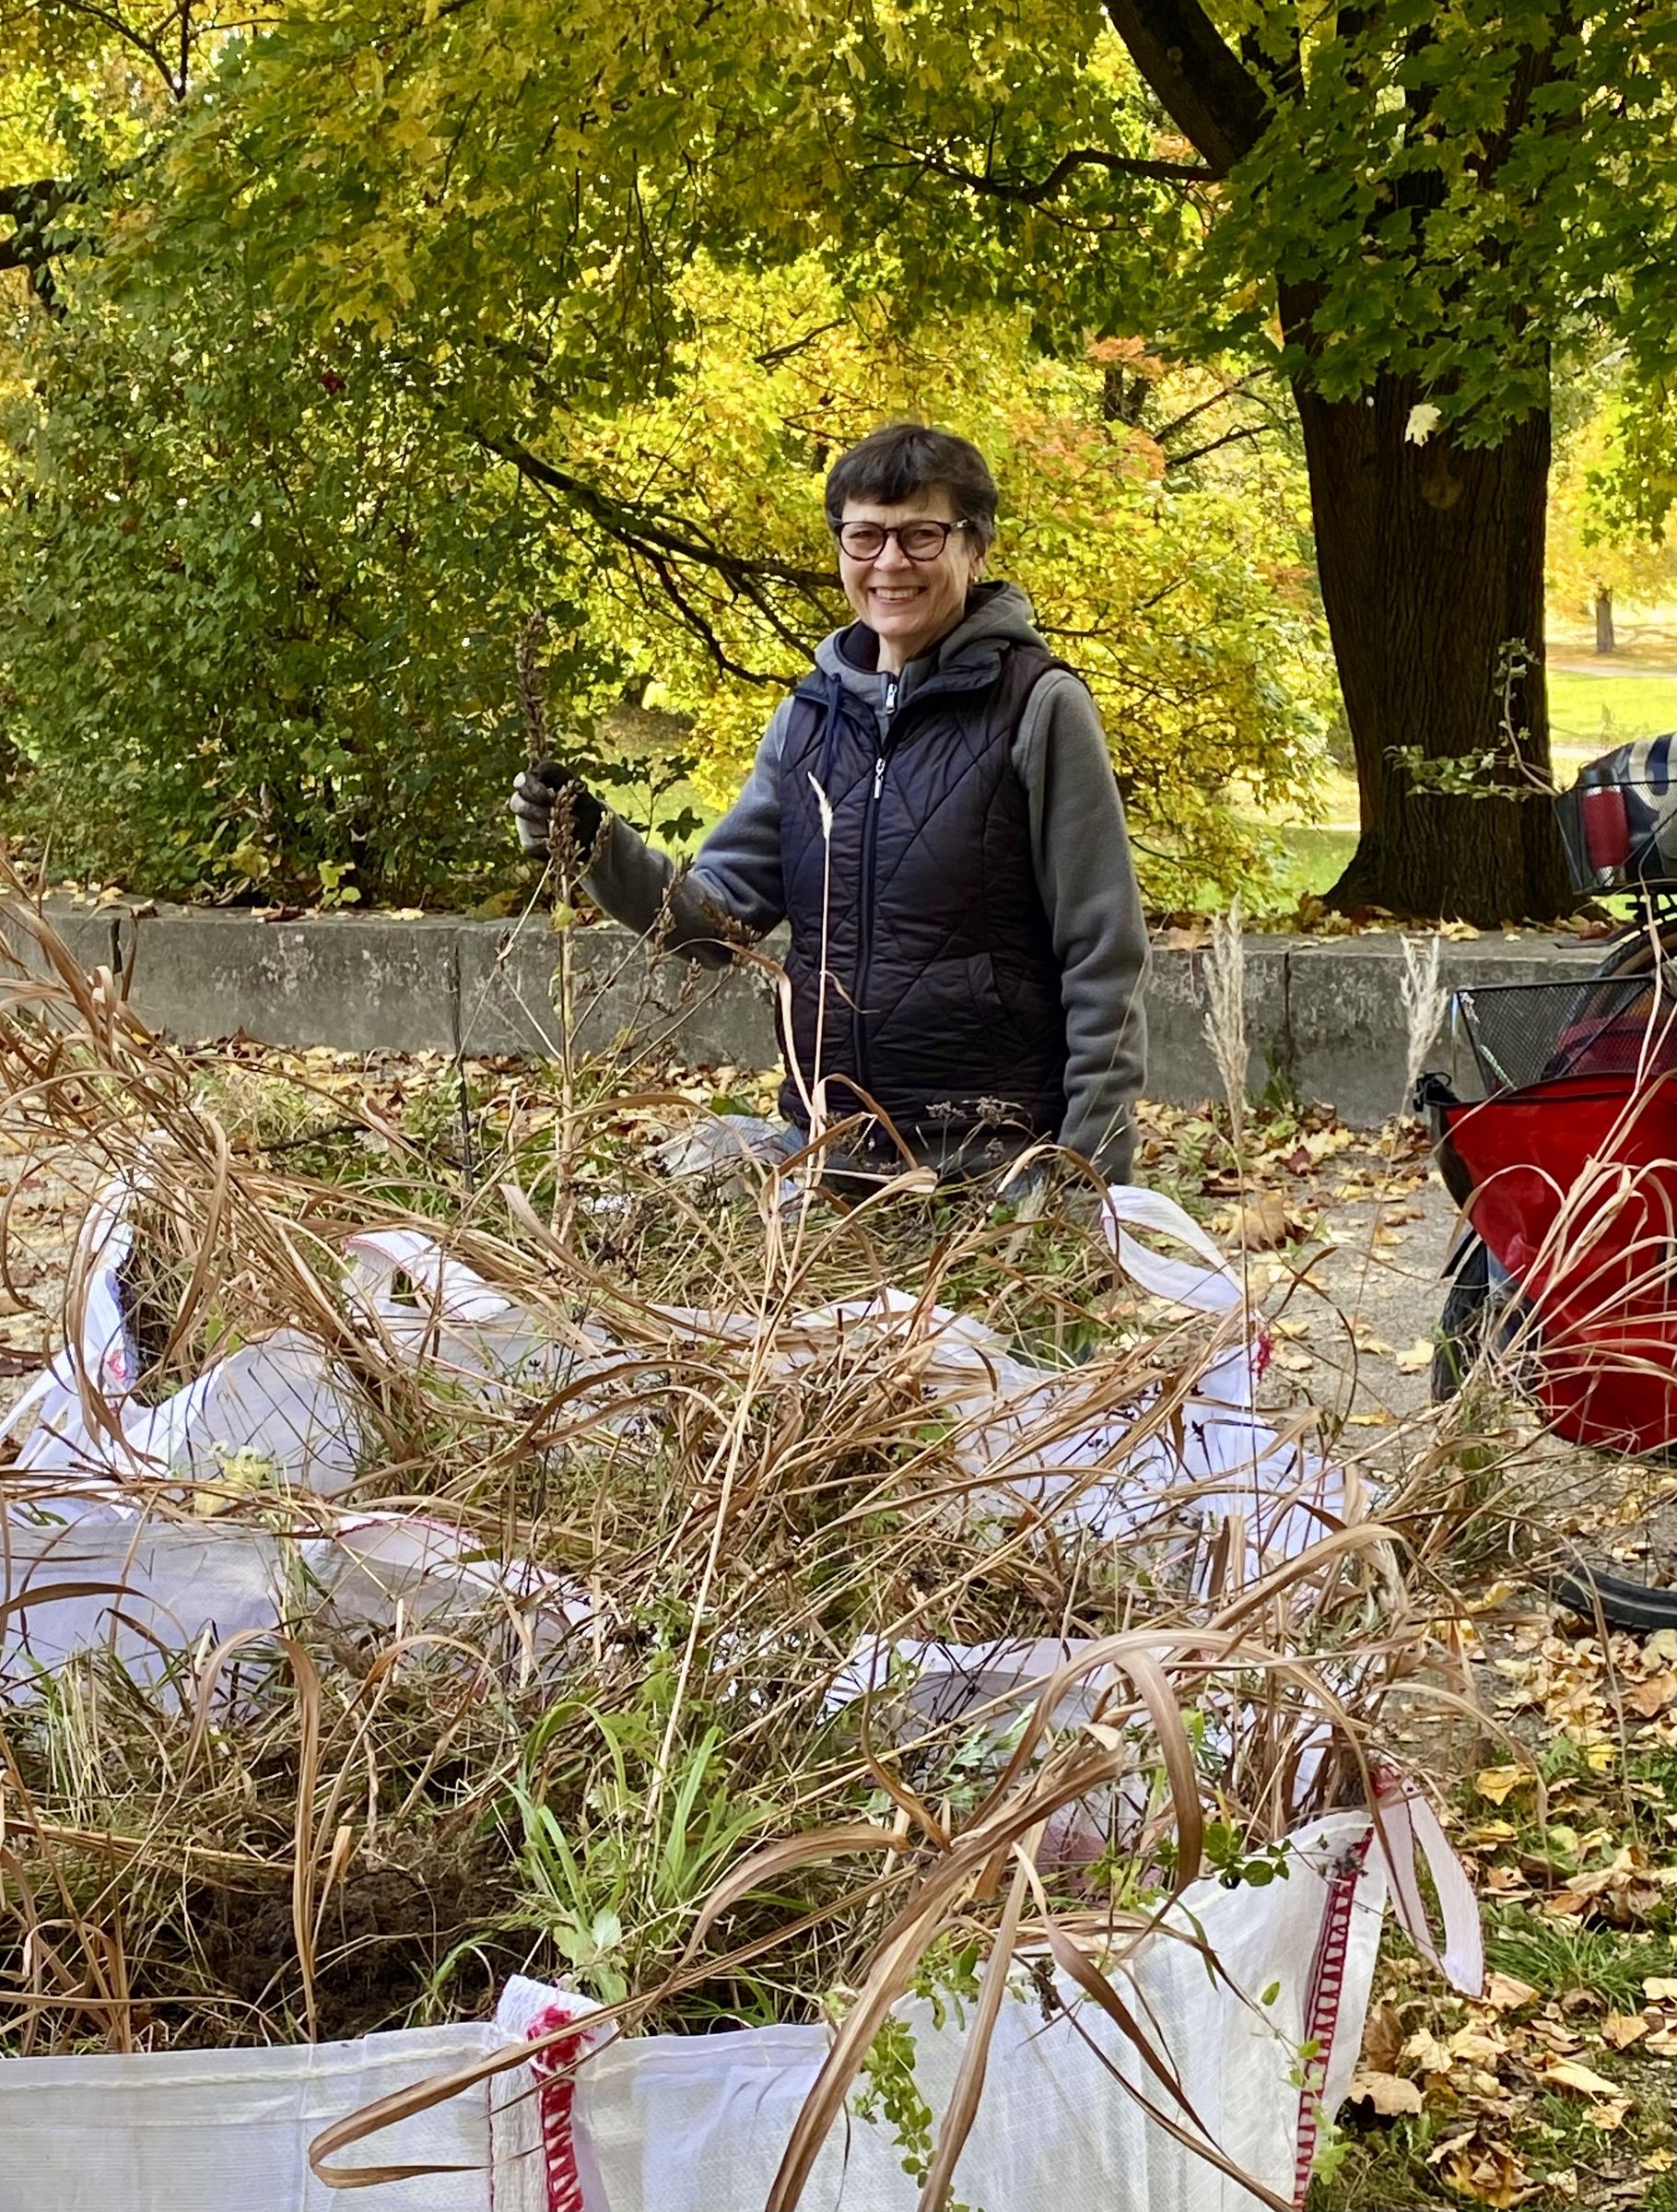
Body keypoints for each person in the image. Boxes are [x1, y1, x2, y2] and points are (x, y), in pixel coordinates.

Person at [510, 423, 1148, 1186]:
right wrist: (594, 847)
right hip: (829, 1154)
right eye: (865, 537)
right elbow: (717, 925)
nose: (889, 563)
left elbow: (1103, 957)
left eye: (921, 536)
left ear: (975, 548)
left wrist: (1088, 1182)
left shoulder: (1039, 708)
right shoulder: (809, 720)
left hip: (992, 1170)